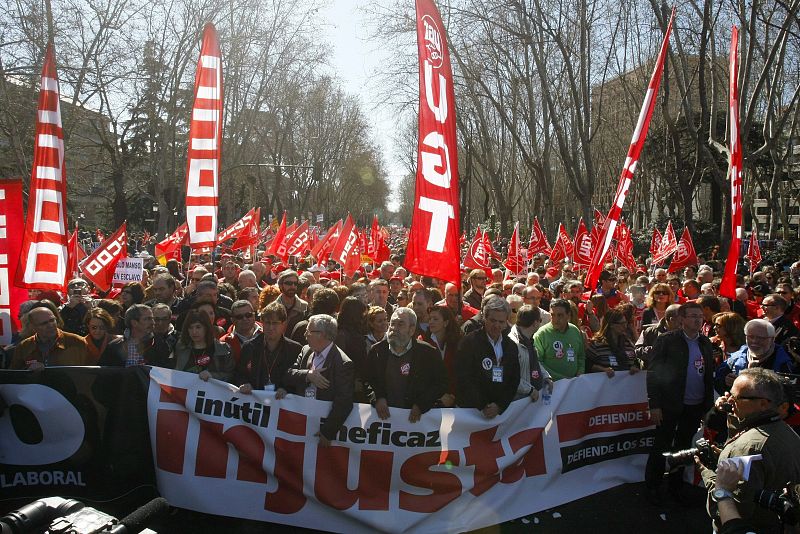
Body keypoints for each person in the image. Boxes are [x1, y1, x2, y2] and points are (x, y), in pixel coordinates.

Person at [696, 369, 800, 533]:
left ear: (763, 404)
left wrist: (708, 473)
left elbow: (735, 510)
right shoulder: (786, 430)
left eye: (736, 398)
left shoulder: (747, 448)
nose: (729, 402)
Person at [645, 301, 715, 503]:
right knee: (662, 445)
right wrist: (654, 404)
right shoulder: (667, 340)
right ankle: (653, 486)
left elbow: (707, 376)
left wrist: (707, 407)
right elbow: (654, 374)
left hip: (695, 406)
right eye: (692, 316)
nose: (697, 319)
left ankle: (676, 487)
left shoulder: (705, 343)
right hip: (669, 404)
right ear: (682, 319)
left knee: (684, 447)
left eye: (700, 316)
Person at [365, 308, 448, 422]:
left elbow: (440, 384)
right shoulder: (377, 351)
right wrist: (378, 398)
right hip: (383, 421)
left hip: (414, 424)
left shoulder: (428, 353)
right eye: (392, 324)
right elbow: (368, 380)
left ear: (412, 329)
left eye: (400, 324)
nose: (394, 328)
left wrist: (421, 405)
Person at [285, 314, 354, 446]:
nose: (305, 334)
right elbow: (288, 375)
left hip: (321, 426)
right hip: (300, 421)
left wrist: (327, 432)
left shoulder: (343, 363)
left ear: (321, 334)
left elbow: (344, 402)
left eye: (308, 331)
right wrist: (308, 375)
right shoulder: (306, 351)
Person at [456, 295, 521, 418]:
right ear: (484, 318)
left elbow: (514, 379)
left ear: (506, 322)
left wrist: (499, 405)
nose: (496, 325)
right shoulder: (469, 342)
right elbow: (463, 378)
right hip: (472, 411)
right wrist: (483, 405)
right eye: (492, 320)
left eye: (501, 322)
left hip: (498, 412)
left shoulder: (510, 346)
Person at [236, 301, 301, 393]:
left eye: (275, 323)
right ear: (262, 323)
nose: (270, 327)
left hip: (281, 403)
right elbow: (239, 374)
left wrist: (286, 390)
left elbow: (297, 379)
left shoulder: (295, 349)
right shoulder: (249, 347)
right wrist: (245, 384)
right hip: (255, 402)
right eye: (267, 323)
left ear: (283, 324)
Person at [10, 307, 90, 369]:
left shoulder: (77, 342)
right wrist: (28, 371)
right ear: (33, 327)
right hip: (36, 389)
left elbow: (91, 374)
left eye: (52, 320)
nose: (50, 325)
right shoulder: (24, 347)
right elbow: (15, 376)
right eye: (44, 323)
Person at [98, 304, 173, 368]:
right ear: (134, 323)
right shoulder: (114, 346)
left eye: (152, 319)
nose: (153, 322)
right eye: (147, 319)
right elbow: (104, 376)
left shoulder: (160, 344)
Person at [172, 308, 234, 382]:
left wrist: (212, 376)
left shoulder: (223, 348)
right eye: (190, 328)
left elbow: (232, 376)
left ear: (206, 327)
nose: (194, 332)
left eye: (198, 327)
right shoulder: (181, 347)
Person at [508, 304, 552, 402]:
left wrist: (546, 376)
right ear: (535, 323)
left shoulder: (528, 339)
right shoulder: (513, 344)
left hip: (531, 398)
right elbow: (510, 376)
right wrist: (530, 390)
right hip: (519, 401)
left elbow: (533, 361)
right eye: (540, 320)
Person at [533, 299, 585, 381]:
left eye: (560, 315)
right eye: (552, 315)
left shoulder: (574, 330)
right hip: (552, 385)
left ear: (568, 315)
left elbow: (581, 356)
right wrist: (560, 378)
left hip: (574, 383)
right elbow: (538, 362)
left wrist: (580, 373)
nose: (555, 319)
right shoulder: (541, 334)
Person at [423, 304, 461, 406]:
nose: (431, 322)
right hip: (431, 400)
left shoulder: (457, 343)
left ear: (446, 322)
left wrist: (452, 395)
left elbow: (459, 372)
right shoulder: (422, 342)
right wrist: (439, 395)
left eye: (435, 319)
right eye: (430, 318)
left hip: (455, 398)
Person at [586, 308, 641, 378]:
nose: (625, 326)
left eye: (625, 323)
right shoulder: (597, 344)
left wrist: (634, 367)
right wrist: (603, 369)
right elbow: (587, 364)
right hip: (605, 385)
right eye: (621, 323)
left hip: (625, 385)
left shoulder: (628, 343)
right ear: (611, 325)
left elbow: (635, 362)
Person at [220, 300, 261, 365]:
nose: (244, 319)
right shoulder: (224, 342)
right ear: (232, 320)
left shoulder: (268, 331)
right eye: (239, 317)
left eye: (248, 315)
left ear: (254, 315)